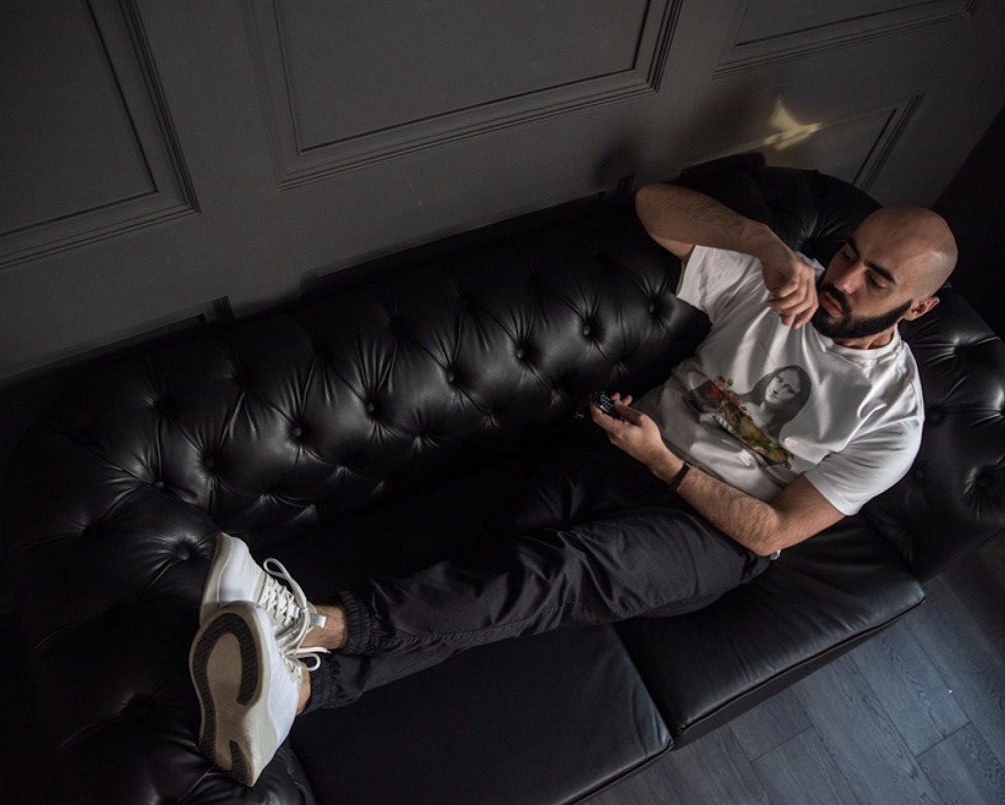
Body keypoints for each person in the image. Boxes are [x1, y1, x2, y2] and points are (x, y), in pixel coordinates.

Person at [188, 181, 959, 787]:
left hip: (712, 533)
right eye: (848, 251)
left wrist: (665, 461)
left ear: (919, 306)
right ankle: (299, 696)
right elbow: (652, 204)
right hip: (621, 452)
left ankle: (315, 622)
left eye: (875, 279)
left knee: (554, 571)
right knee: (492, 566)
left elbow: (773, 531)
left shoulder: (891, 420)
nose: (843, 278)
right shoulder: (784, 280)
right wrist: (765, 245)